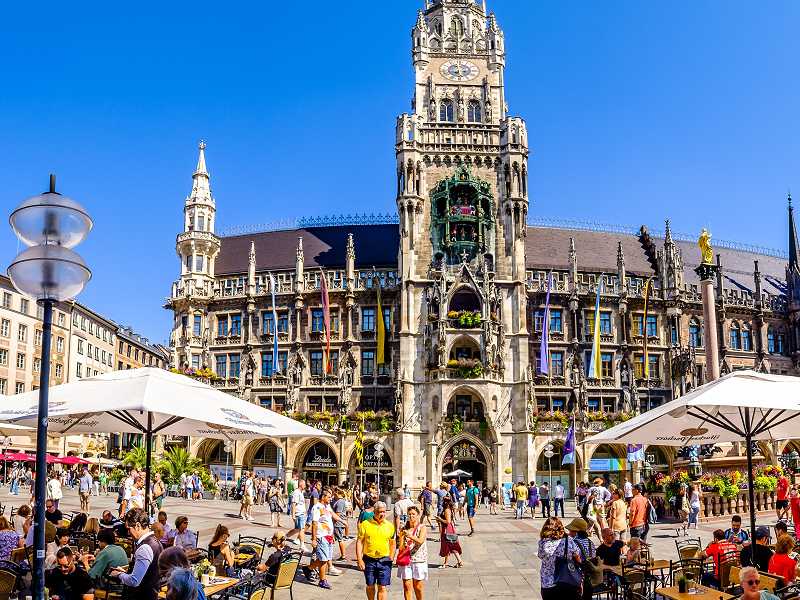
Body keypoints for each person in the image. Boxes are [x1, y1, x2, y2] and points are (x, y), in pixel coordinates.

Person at [112, 508, 164, 600]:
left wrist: (118, 575)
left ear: (138, 525)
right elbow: (146, 573)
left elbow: (134, 581)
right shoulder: (156, 542)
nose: (128, 532)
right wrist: (126, 572)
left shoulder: (145, 547)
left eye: (129, 528)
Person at [303, 488, 344, 589]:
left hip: (328, 536)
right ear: (323, 497)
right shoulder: (317, 507)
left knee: (325, 558)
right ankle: (322, 580)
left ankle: (309, 568)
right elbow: (314, 523)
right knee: (324, 559)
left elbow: (333, 515)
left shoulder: (327, 506)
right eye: (329, 497)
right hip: (321, 536)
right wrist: (313, 539)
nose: (331, 499)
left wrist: (342, 521)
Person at [356, 501, 396, 600]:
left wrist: (391, 556)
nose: (382, 514)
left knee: (382, 586)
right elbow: (359, 542)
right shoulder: (365, 524)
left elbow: (392, 543)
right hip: (369, 560)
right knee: (370, 585)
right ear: (374, 512)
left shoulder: (390, 526)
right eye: (379, 512)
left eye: (384, 512)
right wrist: (359, 559)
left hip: (385, 560)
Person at [538, 517, 582, 600]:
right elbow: (577, 556)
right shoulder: (568, 540)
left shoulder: (543, 542)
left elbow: (540, 556)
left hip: (548, 583)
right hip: (567, 580)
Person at [397, 505, 427, 600]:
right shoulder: (404, 529)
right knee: (406, 585)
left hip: (418, 560)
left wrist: (410, 536)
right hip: (406, 560)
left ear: (418, 515)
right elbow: (400, 547)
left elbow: (420, 540)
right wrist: (401, 538)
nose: (411, 516)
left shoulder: (422, 527)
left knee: (418, 586)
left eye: (413, 514)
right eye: (409, 514)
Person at [435, 497, 463, 568]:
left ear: (445, 503)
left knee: (448, 545)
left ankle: (446, 563)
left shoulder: (447, 510)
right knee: (451, 546)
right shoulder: (447, 509)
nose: (441, 503)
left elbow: (448, 521)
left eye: (443, 501)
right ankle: (459, 562)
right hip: (448, 529)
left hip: (447, 530)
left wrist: (440, 519)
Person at [286, 479, 308, 552]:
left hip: (301, 513)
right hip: (299, 514)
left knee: (297, 529)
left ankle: (284, 537)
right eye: (304, 484)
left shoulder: (301, 492)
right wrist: (293, 515)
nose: (305, 485)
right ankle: (302, 545)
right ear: (301, 484)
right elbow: (293, 504)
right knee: (301, 529)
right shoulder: (296, 492)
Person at [332, 487, 349, 562]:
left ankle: (343, 555)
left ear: (337, 493)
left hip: (338, 523)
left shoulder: (340, 502)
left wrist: (332, 522)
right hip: (338, 523)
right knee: (337, 539)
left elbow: (337, 514)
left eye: (334, 492)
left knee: (340, 539)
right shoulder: (338, 501)